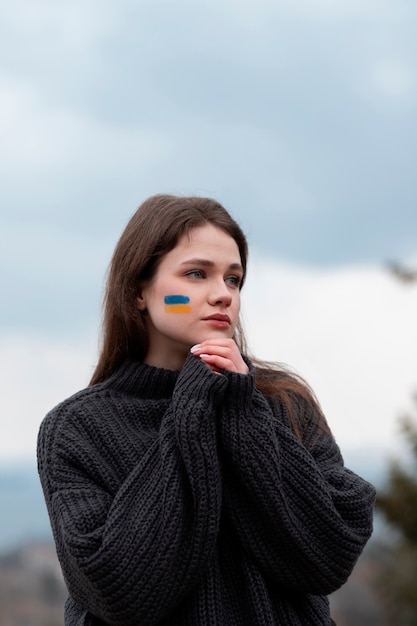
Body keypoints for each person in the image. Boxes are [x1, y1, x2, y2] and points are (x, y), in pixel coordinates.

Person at [37, 194, 375, 626]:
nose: (222, 295)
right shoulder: (78, 429)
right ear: (140, 291)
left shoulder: (285, 403)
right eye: (196, 274)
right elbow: (118, 591)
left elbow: (328, 556)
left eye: (234, 280)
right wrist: (193, 407)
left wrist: (241, 413)